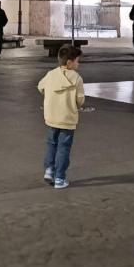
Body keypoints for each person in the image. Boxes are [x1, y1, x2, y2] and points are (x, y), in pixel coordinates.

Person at [37, 44, 85, 190]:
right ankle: (59, 178)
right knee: (64, 148)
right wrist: (76, 104)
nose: (78, 63)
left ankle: (49, 170)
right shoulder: (77, 78)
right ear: (70, 62)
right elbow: (80, 99)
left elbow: (40, 87)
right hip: (67, 119)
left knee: (52, 144)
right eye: (77, 61)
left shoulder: (51, 74)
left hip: (52, 116)